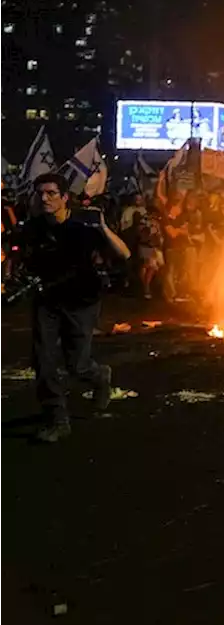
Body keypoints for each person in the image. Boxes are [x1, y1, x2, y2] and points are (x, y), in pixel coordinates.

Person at [14, 173, 131, 443]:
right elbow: (24, 258)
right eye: (40, 193)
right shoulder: (34, 227)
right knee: (43, 360)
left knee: (77, 365)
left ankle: (100, 376)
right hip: (48, 301)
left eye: (51, 193)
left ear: (65, 197)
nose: (44, 198)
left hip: (82, 302)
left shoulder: (84, 226)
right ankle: (57, 418)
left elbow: (123, 253)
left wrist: (102, 226)